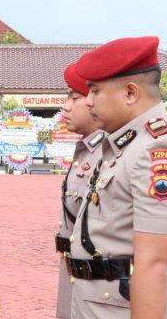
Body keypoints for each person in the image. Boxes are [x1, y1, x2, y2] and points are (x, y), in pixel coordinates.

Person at [69, 36, 167, 318]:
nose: (88, 102)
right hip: (105, 302)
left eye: (94, 91)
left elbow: (154, 263)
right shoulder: (128, 142)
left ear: (130, 93)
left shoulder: (158, 148)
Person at [55, 63, 105, 319]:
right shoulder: (87, 148)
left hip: (102, 279)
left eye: (74, 98)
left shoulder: (109, 152)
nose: (66, 106)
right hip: (74, 267)